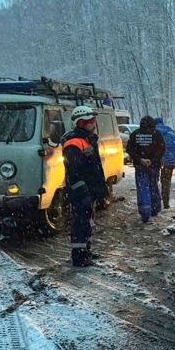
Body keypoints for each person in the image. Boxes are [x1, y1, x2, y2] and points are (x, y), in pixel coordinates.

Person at [62, 105, 109, 267]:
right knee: (80, 221)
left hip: (89, 188)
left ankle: (86, 251)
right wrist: (82, 189)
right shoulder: (74, 142)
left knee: (88, 221)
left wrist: (99, 188)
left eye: (94, 120)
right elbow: (74, 169)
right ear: (81, 122)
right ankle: (79, 256)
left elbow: (93, 167)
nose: (94, 123)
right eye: (90, 120)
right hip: (80, 189)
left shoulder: (88, 139)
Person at [128, 116, 166, 223]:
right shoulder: (157, 134)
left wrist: (140, 159)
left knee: (143, 188)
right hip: (154, 166)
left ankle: (145, 213)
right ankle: (154, 209)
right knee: (153, 186)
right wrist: (152, 160)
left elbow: (129, 149)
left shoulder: (135, 134)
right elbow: (162, 148)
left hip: (140, 166)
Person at [154, 117, 175, 209]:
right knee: (166, 182)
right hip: (170, 160)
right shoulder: (170, 130)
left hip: (158, 160)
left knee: (154, 180)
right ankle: (166, 203)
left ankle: (155, 202)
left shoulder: (154, 131)